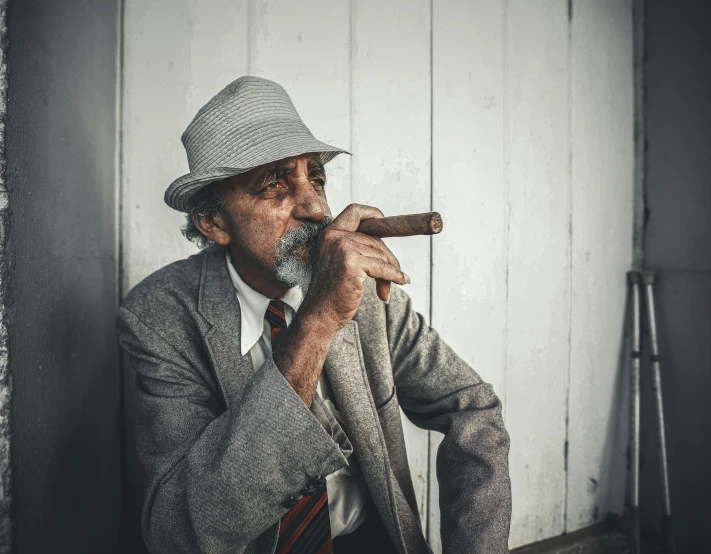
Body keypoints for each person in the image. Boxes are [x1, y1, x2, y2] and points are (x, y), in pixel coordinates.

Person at [117, 76, 511, 554]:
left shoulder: (364, 294)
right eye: (276, 185)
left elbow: (474, 409)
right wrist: (318, 321)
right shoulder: (157, 318)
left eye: (316, 177)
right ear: (214, 222)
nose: (316, 207)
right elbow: (180, 532)